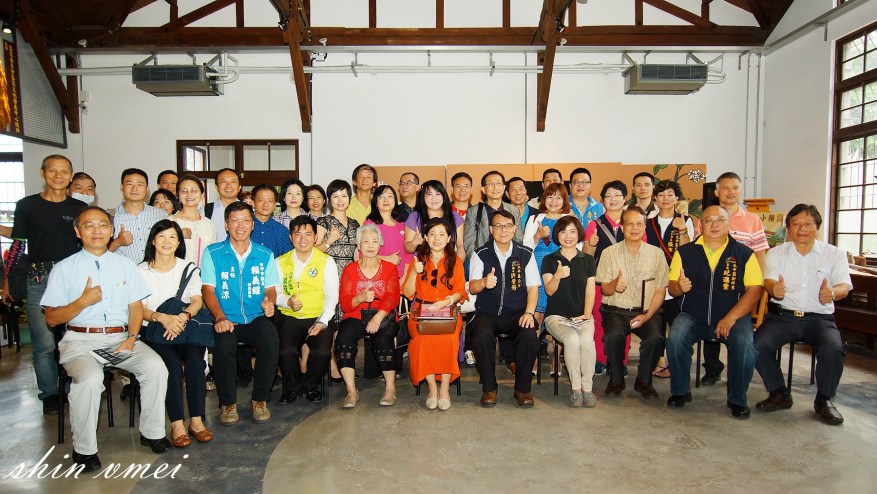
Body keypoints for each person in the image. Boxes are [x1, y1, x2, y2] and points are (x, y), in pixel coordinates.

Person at [41, 206, 171, 472]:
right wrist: (82, 301)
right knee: (90, 380)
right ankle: (84, 450)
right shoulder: (64, 268)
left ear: (111, 230)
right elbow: (52, 319)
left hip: (121, 337)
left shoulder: (125, 265)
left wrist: (132, 337)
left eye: (102, 225)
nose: (97, 230)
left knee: (156, 367)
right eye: (89, 225)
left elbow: (135, 307)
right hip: (80, 340)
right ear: (78, 232)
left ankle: (152, 433)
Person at [2, 154, 86, 415]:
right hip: (38, 278)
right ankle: (50, 393)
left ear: (71, 176)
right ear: (42, 173)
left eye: (64, 171)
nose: (58, 176)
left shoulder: (79, 208)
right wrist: (8, 280)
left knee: (75, 337)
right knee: (44, 343)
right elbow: (18, 245)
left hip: (72, 278)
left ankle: (75, 387)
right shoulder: (27, 205)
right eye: (53, 171)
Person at [754, 204, 852, 425]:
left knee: (833, 348)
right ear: (788, 228)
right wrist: (773, 289)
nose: (802, 229)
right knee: (756, 345)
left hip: (819, 319)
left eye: (808, 224)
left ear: (817, 226)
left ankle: (824, 399)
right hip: (783, 317)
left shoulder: (834, 254)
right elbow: (769, 280)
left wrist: (832, 293)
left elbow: (844, 287)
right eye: (796, 224)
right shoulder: (777, 253)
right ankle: (779, 392)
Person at [665, 205, 762, 419]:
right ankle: (680, 391)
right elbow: (672, 287)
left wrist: (731, 317)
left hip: (733, 316)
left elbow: (755, 290)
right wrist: (679, 286)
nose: (714, 224)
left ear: (729, 224)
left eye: (720, 219)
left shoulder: (744, 254)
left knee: (745, 345)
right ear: (701, 225)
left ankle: (737, 399)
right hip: (693, 315)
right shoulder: (685, 252)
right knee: (676, 337)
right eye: (708, 220)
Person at [200, 202, 280, 425]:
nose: (240, 225)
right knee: (224, 345)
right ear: (226, 225)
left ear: (253, 225)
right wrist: (219, 317)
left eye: (245, 220)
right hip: (226, 318)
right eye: (234, 220)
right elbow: (208, 290)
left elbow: (270, 289)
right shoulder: (212, 253)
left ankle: (260, 400)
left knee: (270, 339)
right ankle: (227, 404)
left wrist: (270, 302)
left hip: (255, 316)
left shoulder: (264, 254)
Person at [138, 220, 212, 448]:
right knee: (170, 365)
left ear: (179, 242)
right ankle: (177, 424)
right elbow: (138, 308)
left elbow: (197, 300)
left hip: (183, 326)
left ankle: (197, 421)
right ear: (153, 240)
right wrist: (162, 318)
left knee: (195, 361)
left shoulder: (187, 268)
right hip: (153, 329)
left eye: (172, 237)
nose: (167, 242)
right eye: (162, 236)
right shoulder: (140, 271)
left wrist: (182, 317)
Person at [701, 172, 770, 386]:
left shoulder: (753, 220)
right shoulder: (707, 217)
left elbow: (760, 254)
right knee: (709, 324)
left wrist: (756, 285)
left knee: (740, 335)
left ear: (740, 191)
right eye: (725, 188)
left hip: (742, 289)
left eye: (735, 188)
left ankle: (738, 378)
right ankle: (712, 368)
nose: (730, 192)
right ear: (716, 191)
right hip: (712, 286)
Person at [468, 209, 541, 408]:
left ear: (514, 228)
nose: (503, 230)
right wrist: (484, 282)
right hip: (487, 313)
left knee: (529, 335)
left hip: (517, 313)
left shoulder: (525, 254)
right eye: (498, 226)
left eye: (508, 226)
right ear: (491, 230)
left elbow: (533, 288)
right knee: (481, 336)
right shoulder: (481, 254)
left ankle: (523, 389)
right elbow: (472, 287)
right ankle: (489, 388)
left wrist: (529, 313)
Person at [596, 206, 668, 400]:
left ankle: (644, 381)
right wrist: (614, 284)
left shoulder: (656, 254)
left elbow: (660, 290)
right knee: (613, 336)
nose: (634, 228)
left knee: (655, 338)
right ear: (622, 227)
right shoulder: (609, 253)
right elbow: (605, 290)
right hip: (616, 310)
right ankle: (617, 379)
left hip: (646, 311)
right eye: (630, 223)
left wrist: (647, 316)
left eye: (639, 224)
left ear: (645, 227)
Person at [402, 218, 467, 410]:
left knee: (449, 340)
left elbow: (460, 291)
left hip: (448, 312)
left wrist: (447, 301)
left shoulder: (456, 261)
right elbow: (407, 293)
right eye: (432, 234)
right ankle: (432, 388)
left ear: (448, 238)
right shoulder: (418, 261)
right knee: (421, 341)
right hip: (421, 314)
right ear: (425, 238)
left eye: (441, 235)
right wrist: (413, 272)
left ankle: (444, 389)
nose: (436, 239)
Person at [274, 215, 338, 404]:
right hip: (289, 317)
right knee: (285, 351)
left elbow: (332, 295)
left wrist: (322, 322)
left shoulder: (326, 261)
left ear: (316, 237)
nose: (303, 239)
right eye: (298, 234)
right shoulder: (280, 262)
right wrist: (287, 302)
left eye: (308, 234)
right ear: (291, 237)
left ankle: (311, 385)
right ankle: (293, 387)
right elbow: (274, 293)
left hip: (318, 316)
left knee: (322, 353)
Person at [336, 224, 401, 408]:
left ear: (380, 244)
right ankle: (351, 391)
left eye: (374, 241)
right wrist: (360, 298)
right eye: (366, 241)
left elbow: (392, 297)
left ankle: (390, 389)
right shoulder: (350, 270)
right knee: (343, 341)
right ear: (359, 246)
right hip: (356, 315)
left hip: (383, 316)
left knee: (383, 340)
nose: (371, 245)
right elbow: (345, 304)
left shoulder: (389, 268)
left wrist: (378, 317)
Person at [541, 216, 597, 407]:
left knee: (587, 341)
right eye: (563, 232)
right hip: (556, 317)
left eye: (572, 231)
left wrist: (587, 315)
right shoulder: (549, 260)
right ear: (557, 235)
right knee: (572, 339)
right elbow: (549, 291)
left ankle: (587, 389)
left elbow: (590, 291)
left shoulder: (588, 260)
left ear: (579, 234)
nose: (568, 236)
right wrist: (557, 276)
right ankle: (576, 389)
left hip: (582, 316)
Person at [645, 180, 695, 379]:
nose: (665, 198)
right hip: (654, 282)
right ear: (655, 198)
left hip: (675, 283)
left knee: (677, 327)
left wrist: (682, 229)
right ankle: (658, 362)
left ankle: (677, 364)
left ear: (677, 198)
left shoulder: (685, 220)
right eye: (661, 195)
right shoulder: (648, 222)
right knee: (656, 326)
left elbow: (689, 252)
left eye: (670, 194)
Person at [583, 180, 630, 376]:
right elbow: (586, 256)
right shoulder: (594, 224)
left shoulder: (632, 223)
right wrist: (591, 244)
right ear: (602, 200)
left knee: (624, 320)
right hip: (600, 281)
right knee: (598, 320)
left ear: (625, 199)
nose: (613, 199)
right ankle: (600, 359)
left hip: (626, 282)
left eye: (617, 195)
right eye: (608, 196)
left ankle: (621, 361)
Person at [315, 179, 360, 383]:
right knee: (332, 322)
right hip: (330, 277)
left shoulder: (355, 224)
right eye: (335, 196)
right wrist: (330, 241)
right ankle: (333, 364)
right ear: (329, 200)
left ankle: (344, 363)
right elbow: (313, 251)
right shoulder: (323, 222)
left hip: (350, 278)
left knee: (345, 324)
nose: (340, 200)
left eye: (344, 195)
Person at [522, 182, 571, 327]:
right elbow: (525, 249)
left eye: (558, 197)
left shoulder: (569, 219)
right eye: (550, 197)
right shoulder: (535, 219)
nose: (553, 201)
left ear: (564, 200)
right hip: (537, 268)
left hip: (560, 267)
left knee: (559, 313)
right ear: (544, 199)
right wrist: (538, 235)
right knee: (537, 313)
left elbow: (577, 246)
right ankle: (537, 339)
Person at [110, 168, 168, 263]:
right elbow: (99, 253)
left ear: (147, 189)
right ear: (121, 187)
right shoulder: (110, 217)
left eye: (140, 184)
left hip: (155, 270)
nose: (134, 189)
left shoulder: (161, 215)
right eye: (129, 184)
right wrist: (117, 242)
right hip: (123, 271)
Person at [463, 171, 523, 259]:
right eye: (491, 184)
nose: (495, 187)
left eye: (498, 183)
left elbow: (518, 238)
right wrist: (478, 260)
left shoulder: (513, 210)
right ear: (483, 189)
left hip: (508, 258)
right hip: (483, 259)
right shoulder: (474, 212)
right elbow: (469, 242)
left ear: (503, 187)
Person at [404, 180, 465, 259]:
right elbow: (407, 248)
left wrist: (457, 264)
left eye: (438, 194)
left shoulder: (455, 217)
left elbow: (460, 247)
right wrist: (415, 242)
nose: (434, 198)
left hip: (448, 263)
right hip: (422, 263)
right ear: (423, 198)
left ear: (443, 196)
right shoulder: (415, 217)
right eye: (429, 194)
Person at [364, 184, 411, 278]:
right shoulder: (369, 224)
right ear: (375, 202)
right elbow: (362, 254)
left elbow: (408, 253)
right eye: (381, 197)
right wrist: (387, 259)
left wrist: (405, 276)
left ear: (395, 201)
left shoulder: (402, 224)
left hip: (401, 278)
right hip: (379, 277)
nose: (386, 200)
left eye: (390, 196)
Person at [170, 174, 217, 267]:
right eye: (184, 191)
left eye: (194, 190)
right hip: (178, 273)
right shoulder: (170, 222)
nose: (189, 194)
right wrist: (177, 235)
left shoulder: (209, 224)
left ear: (202, 194)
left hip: (204, 274)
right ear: (178, 195)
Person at [251, 184, 293, 257]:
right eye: (261, 200)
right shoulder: (243, 228)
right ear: (253, 203)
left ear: (274, 205)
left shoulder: (282, 231)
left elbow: (287, 258)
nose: (265, 204)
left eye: (270, 201)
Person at [205, 168, 242, 243]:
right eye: (224, 181)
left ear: (239, 187)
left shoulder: (249, 210)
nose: (228, 185)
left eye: (233, 181)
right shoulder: (205, 211)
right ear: (216, 187)